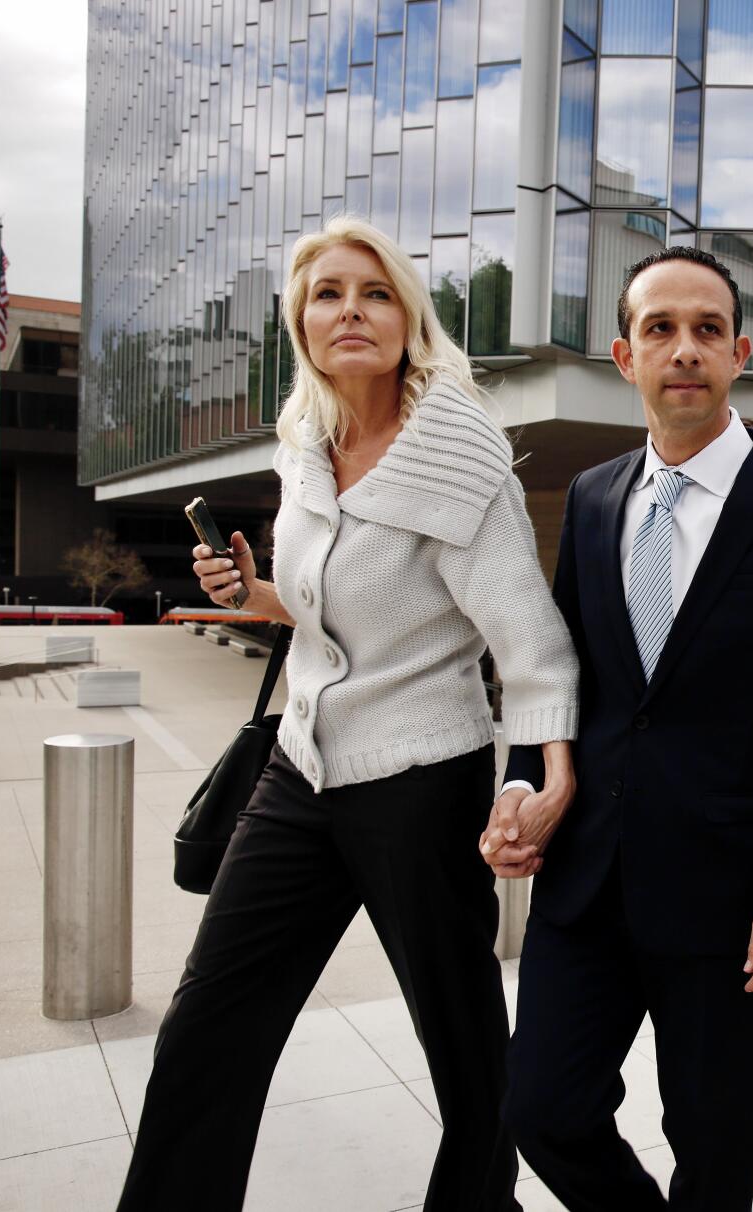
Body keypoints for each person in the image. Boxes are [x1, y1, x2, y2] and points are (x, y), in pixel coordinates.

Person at [116, 216, 579, 1212]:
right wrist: (253, 592)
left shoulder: (457, 450)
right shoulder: (306, 441)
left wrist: (544, 776)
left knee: (465, 1058)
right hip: (301, 770)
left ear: (408, 317)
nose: (349, 312)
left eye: (373, 293)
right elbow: (325, 604)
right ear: (301, 322)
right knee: (207, 1029)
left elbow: (529, 641)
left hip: (421, 781)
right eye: (327, 295)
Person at [482, 246, 753, 1210]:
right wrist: (525, 786)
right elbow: (557, 675)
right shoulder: (591, 497)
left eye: (707, 329)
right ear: (627, 357)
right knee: (541, 1110)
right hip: (587, 884)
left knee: (711, 1146)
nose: (684, 348)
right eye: (660, 329)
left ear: (740, 352)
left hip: (730, 903)